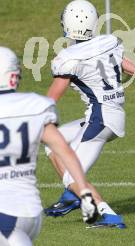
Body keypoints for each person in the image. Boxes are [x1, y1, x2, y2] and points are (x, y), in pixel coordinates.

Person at [43, 0, 135, 228]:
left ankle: (108, 214)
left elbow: (52, 99)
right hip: (109, 116)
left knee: (73, 177)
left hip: (100, 119)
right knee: (52, 145)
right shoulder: (108, 43)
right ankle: (70, 197)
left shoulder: (69, 58)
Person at [0, 46, 98, 245]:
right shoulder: (33, 106)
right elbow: (63, 150)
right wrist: (85, 193)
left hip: (5, 212)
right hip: (32, 213)